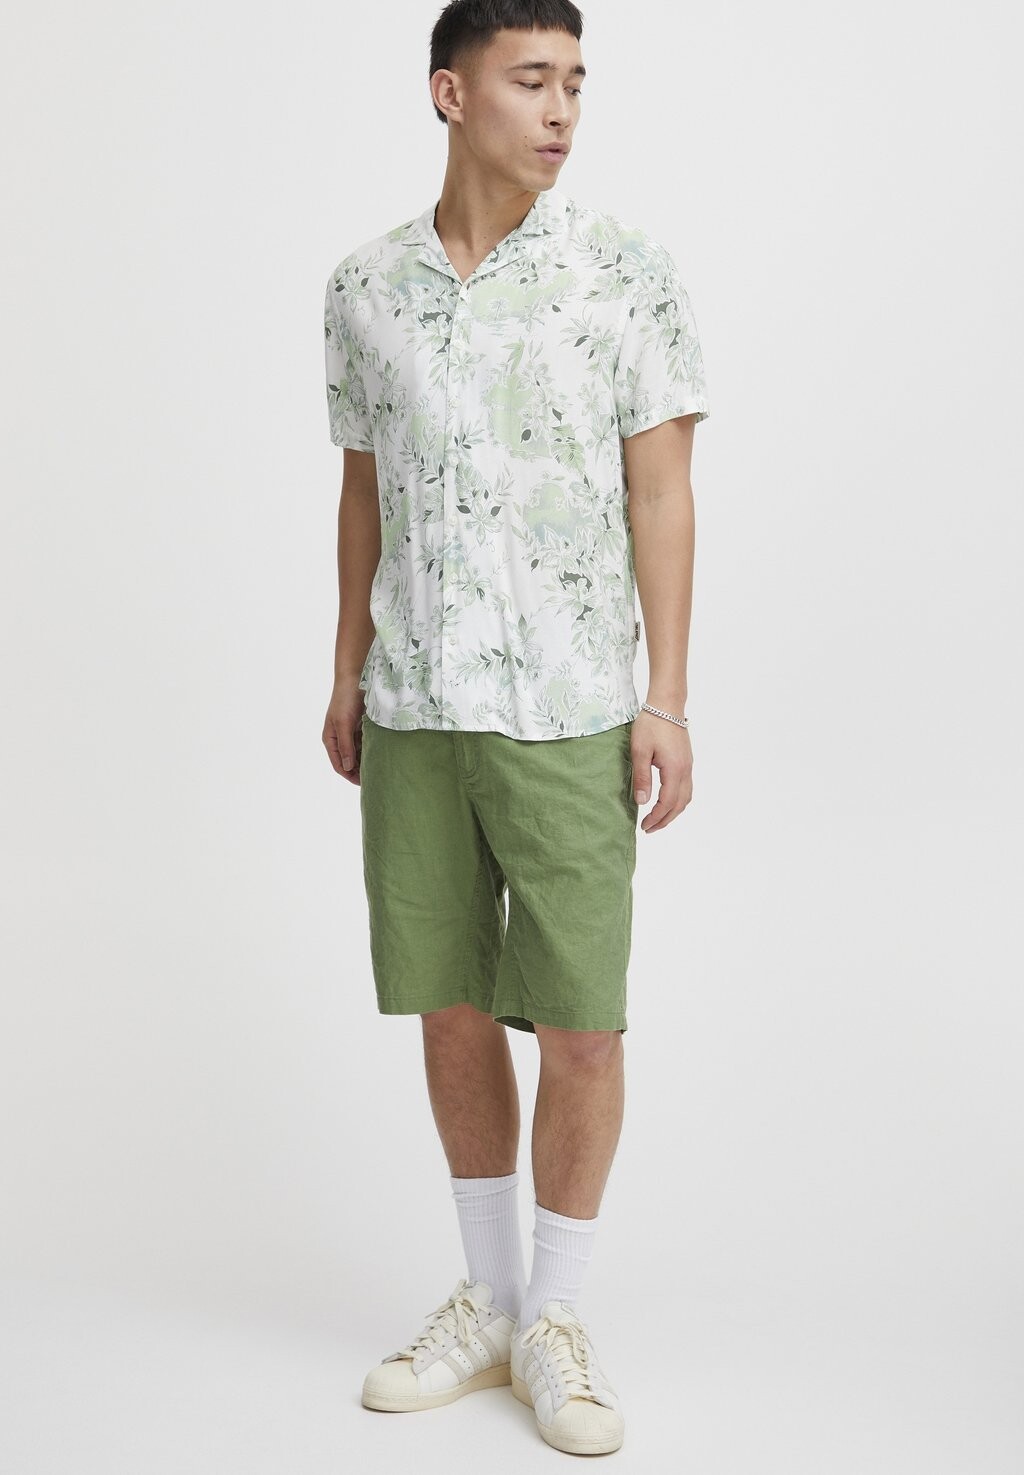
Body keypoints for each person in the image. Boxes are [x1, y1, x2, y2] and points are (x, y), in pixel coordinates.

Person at [321, 0, 710, 1456]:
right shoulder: (365, 287)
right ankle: (487, 1301)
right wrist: (345, 668)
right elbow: (362, 491)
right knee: (449, 1000)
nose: (561, 111)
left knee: (585, 1025)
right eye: (532, 81)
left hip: (569, 705)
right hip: (416, 700)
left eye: (576, 84)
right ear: (450, 93)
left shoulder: (626, 274)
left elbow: (662, 493)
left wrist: (666, 696)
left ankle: (556, 1313)